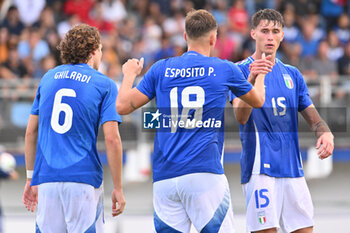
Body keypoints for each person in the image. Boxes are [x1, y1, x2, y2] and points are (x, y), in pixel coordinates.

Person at [116, 9, 267, 233]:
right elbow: (258, 101)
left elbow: (121, 106)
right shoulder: (223, 68)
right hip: (204, 174)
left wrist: (129, 73)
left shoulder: (161, 68)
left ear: (185, 37)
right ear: (214, 38)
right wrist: (260, 73)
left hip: (165, 178)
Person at [230, 9, 334, 233]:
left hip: (293, 170)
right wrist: (252, 79)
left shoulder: (292, 74)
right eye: (264, 31)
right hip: (260, 171)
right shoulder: (238, 70)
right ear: (253, 33)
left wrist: (324, 132)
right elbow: (240, 116)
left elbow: (313, 117)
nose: (270, 36)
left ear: (282, 36)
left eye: (275, 31)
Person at [22, 24, 125, 233]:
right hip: (83, 179)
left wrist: (30, 177)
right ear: (94, 50)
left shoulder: (48, 78)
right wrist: (118, 187)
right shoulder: (104, 84)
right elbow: (112, 139)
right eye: (102, 50)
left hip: (47, 179)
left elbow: (31, 132)